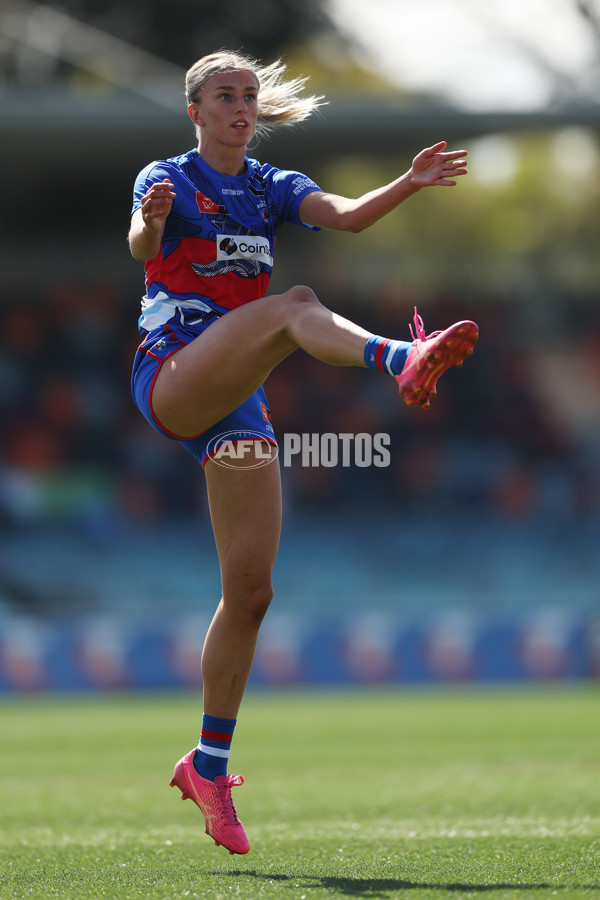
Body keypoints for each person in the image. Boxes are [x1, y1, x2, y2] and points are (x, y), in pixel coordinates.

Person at [128, 50, 478, 856]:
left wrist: (407, 182)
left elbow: (345, 216)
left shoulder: (271, 185)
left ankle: (207, 766)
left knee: (251, 592)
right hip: (173, 373)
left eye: (249, 96)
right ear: (196, 111)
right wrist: (149, 219)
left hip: (234, 399)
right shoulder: (167, 177)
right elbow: (143, 249)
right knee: (295, 305)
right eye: (225, 96)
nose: (241, 107)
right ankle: (400, 357)